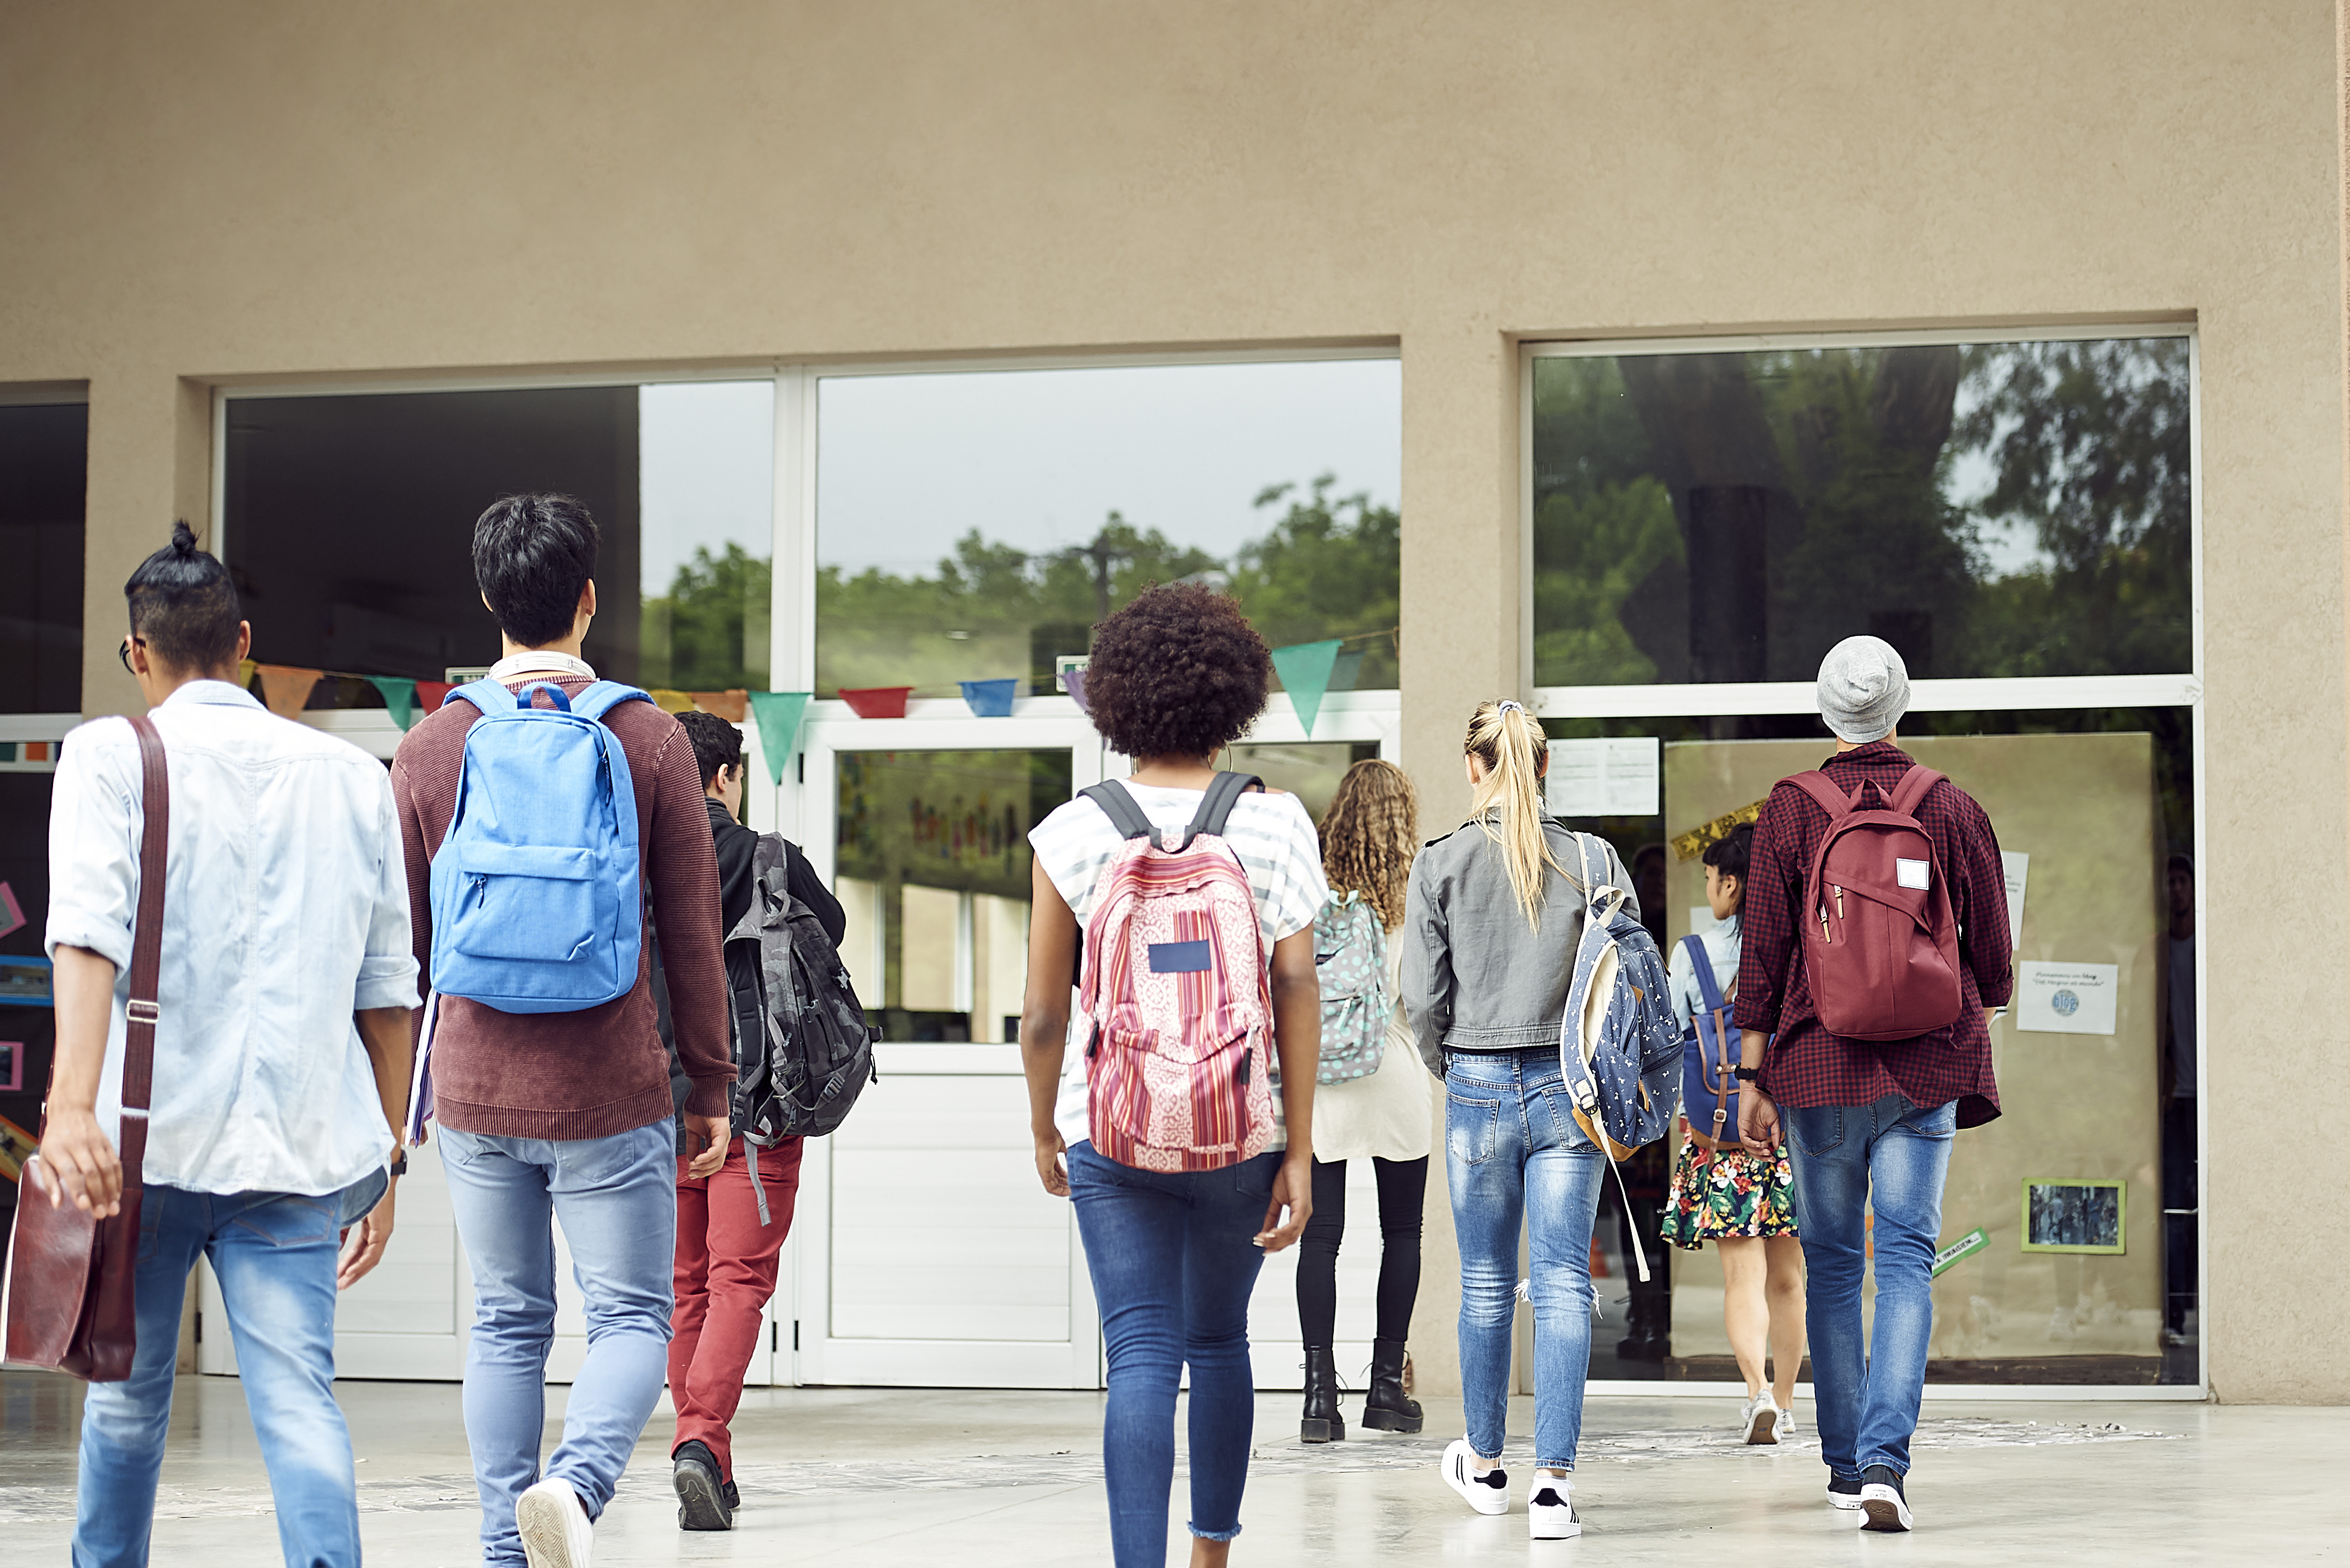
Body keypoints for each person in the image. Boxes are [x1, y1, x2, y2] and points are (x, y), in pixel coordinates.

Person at [38, 522, 417, 1568]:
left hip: (140, 1150)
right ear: (245, 644)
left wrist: (70, 1106)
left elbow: (85, 933)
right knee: (300, 1408)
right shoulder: (352, 776)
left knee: (123, 1412)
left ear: (136, 653)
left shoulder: (107, 754)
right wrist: (384, 1155)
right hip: (300, 1151)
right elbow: (391, 999)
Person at [391, 494, 733, 1568]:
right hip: (608, 1086)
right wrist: (713, 1087)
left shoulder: (433, 746)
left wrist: (396, 1102)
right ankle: (575, 1490)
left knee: (504, 1321)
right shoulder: (648, 738)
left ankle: (506, 1546)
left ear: (490, 599)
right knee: (630, 1316)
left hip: (478, 1090)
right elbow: (691, 935)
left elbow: (404, 943)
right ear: (588, 601)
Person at [1018, 582, 1322, 1568]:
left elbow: (1043, 1015)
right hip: (1245, 1123)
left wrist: (1042, 1126)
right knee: (1219, 1339)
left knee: (1141, 1348)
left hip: (1112, 1124)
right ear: (1232, 698)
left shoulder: (1073, 830)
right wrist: (1302, 1150)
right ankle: (1212, 1553)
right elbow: (1295, 988)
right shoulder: (1274, 825)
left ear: (1112, 702)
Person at [1736, 636, 2013, 1534]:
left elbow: (1765, 952)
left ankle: (1847, 1461)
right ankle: (1890, 1462)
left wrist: (1751, 1071)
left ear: (1827, 712)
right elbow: (1995, 953)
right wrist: (1981, 1003)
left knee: (1833, 1265)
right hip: (1928, 1063)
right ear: (1900, 708)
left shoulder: (1791, 808)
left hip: (1819, 1067)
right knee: (1904, 1261)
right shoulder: (1952, 805)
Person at [1404, 699, 1636, 1542]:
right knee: (1565, 1282)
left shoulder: (1442, 862)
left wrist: (1453, 1065)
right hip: (1569, 1090)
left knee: (1484, 1283)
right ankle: (1554, 1488)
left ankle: (1488, 1465)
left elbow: (1419, 1000)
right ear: (1543, 766)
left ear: (1476, 767)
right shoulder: (1594, 858)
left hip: (1476, 1079)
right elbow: (1631, 984)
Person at [658, 709, 845, 1530]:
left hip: (656, 1108)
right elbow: (830, 934)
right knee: (739, 1280)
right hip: (759, 1102)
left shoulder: (632, 858)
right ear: (728, 774)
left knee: (684, 1285)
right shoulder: (769, 857)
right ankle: (701, 1439)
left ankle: (704, 1452)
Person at [1295, 758, 1430, 1444]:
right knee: (1400, 1234)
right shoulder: (1417, 897)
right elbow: (1432, 1003)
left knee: (1322, 1236)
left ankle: (1320, 1399)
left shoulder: (1315, 898)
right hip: (1397, 1075)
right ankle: (1385, 1390)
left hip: (1327, 1081)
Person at [1657, 822, 1806, 1444]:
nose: (1710, 889)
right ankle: (1791, 1402)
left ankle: (1757, 1394)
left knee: (1740, 1278)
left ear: (1730, 882)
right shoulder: (1800, 950)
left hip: (1720, 1136)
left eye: (1713, 878)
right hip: (1791, 1134)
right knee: (1790, 1278)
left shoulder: (1690, 955)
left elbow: (1667, 1039)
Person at [2160, 852, 2196, 1346]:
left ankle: (2189, 1305)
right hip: (2171, 1097)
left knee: (2197, 1205)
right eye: (2168, 881)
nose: (2175, 889)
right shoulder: (2158, 951)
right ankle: (2173, 1316)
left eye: (2182, 880)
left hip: (2207, 1098)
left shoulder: (2207, 949)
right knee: (2170, 1206)